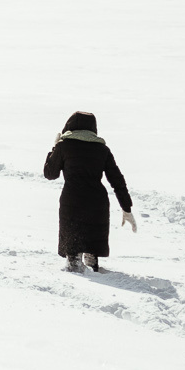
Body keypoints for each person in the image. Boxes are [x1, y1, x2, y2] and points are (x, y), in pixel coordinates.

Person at [44, 111, 134, 272]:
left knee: (73, 249)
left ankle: (76, 270)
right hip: (96, 202)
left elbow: (50, 174)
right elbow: (117, 180)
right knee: (93, 246)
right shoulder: (102, 149)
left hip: (72, 200)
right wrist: (126, 207)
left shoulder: (64, 146)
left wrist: (54, 148)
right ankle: (92, 266)